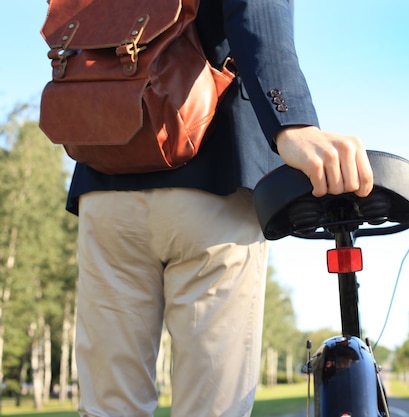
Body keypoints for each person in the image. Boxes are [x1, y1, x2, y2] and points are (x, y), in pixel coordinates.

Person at [64, 0, 373, 416]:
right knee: (213, 407)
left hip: (105, 177)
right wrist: (293, 123)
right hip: (213, 174)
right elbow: (256, 11)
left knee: (108, 407)